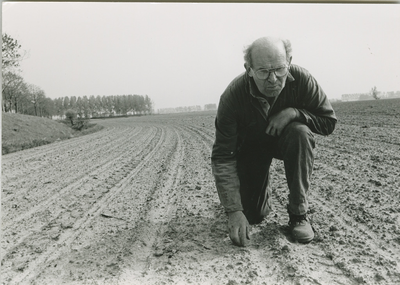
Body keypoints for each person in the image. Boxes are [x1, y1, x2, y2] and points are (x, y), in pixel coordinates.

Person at [211, 36, 337, 246]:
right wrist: (234, 211)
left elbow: (328, 122)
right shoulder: (232, 97)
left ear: (289, 61)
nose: (273, 79)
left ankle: (299, 214)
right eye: (263, 71)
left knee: (300, 132)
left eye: (280, 69)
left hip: (287, 141)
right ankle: (258, 195)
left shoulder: (302, 79)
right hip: (252, 151)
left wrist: (295, 113)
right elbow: (223, 157)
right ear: (248, 69)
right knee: (253, 216)